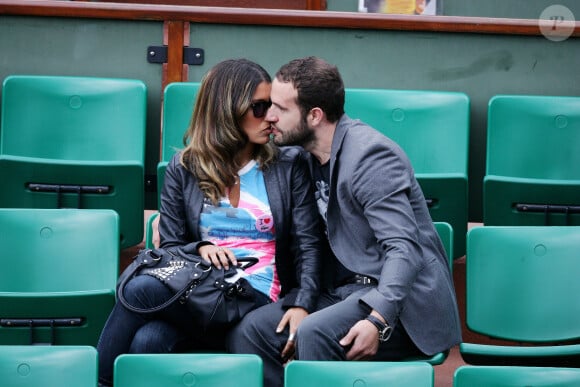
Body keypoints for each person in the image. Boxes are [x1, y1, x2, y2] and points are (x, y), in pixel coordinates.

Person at [228, 56, 462, 387]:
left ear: (314, 116)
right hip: (341, 291)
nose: (269, 116)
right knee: (250, 331)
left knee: (314, 333)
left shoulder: (370, 156)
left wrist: (378, 320)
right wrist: (180, 209)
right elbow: (231, 161)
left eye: (280, 108)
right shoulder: (301, 154)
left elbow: (404, 249)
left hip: (397, 303)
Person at [96, 58, 322, 386]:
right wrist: (200, 246)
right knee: (148, 341)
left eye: (272, 106)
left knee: (142, 289)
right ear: (227, 111)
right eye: (259, 107)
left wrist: (302, 303)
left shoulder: (288, 165)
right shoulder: (184, 167)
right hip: (200, 293)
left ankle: (95, 382)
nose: (270, 117)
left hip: (256, 295)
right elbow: (170, 250)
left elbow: (308, 245)